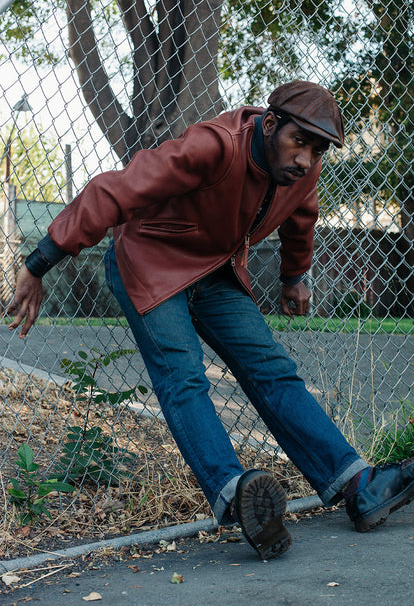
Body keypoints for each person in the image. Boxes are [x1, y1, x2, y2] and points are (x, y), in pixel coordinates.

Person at [5, 81, 414, 561]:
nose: (306, 158)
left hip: (215, 268)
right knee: (183, 376)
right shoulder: (213, 146)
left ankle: (357, 484)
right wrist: (37, 265)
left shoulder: (300, 171)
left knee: (273, 370)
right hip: (151, 258)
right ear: (269, 123)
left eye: (318, 148)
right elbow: (112, 191)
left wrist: (294, 276)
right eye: (299, 141)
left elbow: (302, 214)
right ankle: (238, 495)